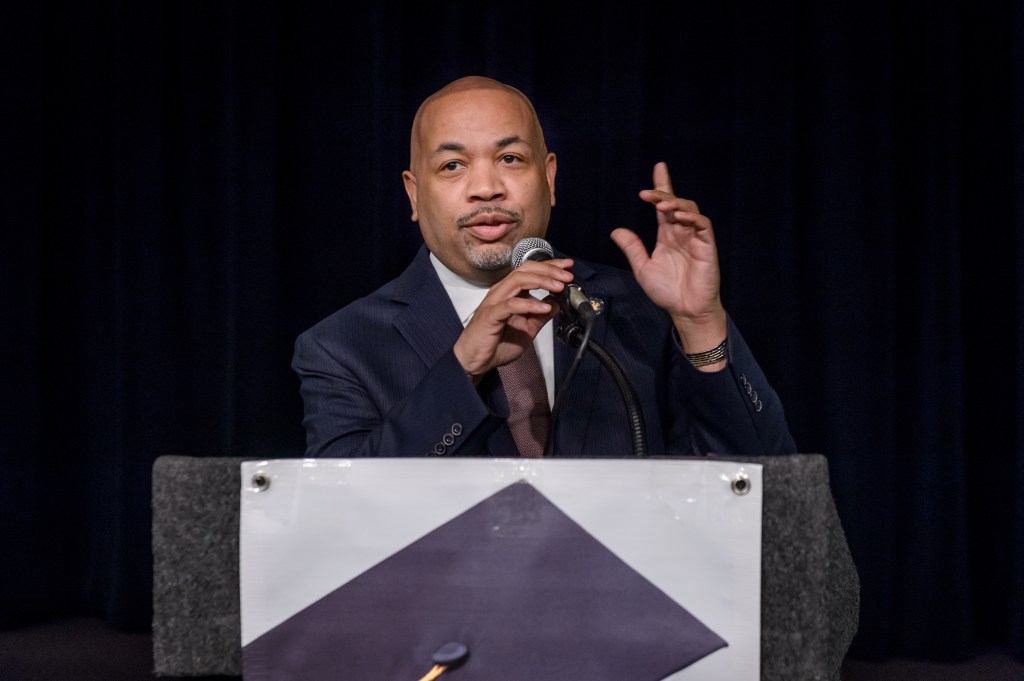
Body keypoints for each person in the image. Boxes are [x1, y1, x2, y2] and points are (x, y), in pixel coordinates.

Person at [292, 75, 796, 458]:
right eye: (452, 165)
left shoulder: (642, 309)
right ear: (414, 194)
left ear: (549, 178)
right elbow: (344, 516)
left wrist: (700, 322)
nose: (486, 187)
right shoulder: (341, 347)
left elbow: (762, 485)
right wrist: (462, 365)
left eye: (510, 159)